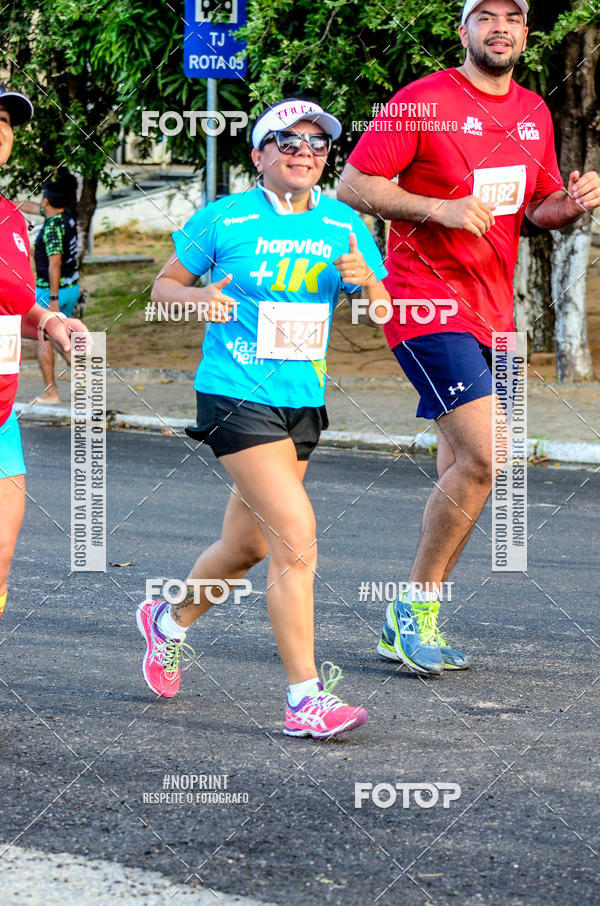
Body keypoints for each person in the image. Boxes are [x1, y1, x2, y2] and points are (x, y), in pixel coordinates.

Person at [337, 0, 600, 676]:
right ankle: (411, 607)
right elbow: (354, 184)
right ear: (464, 31)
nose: (500, 26)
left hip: (495, 317)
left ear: (526, 33)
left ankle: (415, 622)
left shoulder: (534, 112)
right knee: (489, 457)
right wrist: (438, 208)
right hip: (426, 307)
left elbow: (533, 210)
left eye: (512, 15)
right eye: (485, 15)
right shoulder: (421, 101)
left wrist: (566, 206)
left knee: (466, 473)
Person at [136, 98, 389, 738]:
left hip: (301, 398)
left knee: (246, 547)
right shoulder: (222, 219)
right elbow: (162, 291)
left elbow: (383, 314)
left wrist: (368, 285)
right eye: (288, 141)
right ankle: (306, 699)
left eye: (317, 144)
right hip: (233, 394)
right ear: (259, 155)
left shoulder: (344, 224)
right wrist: (198, 299)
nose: (305, 152)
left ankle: (167, 623)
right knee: (295, 538)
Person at [0, 86, 86, 621]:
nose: (2, 129)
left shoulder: (10, 217)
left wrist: (52, 322)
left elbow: (16, 306)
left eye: (6, 121)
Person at [32, 174, 80, 404]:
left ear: (47, 201)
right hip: (71, 288)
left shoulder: (52, 228)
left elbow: (55, 263)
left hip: (52, 292)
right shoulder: (66, 217)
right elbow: (33, 208)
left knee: (44, 338)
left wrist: (52, 298)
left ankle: (51, 392)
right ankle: (86, 379)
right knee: (60, 337)